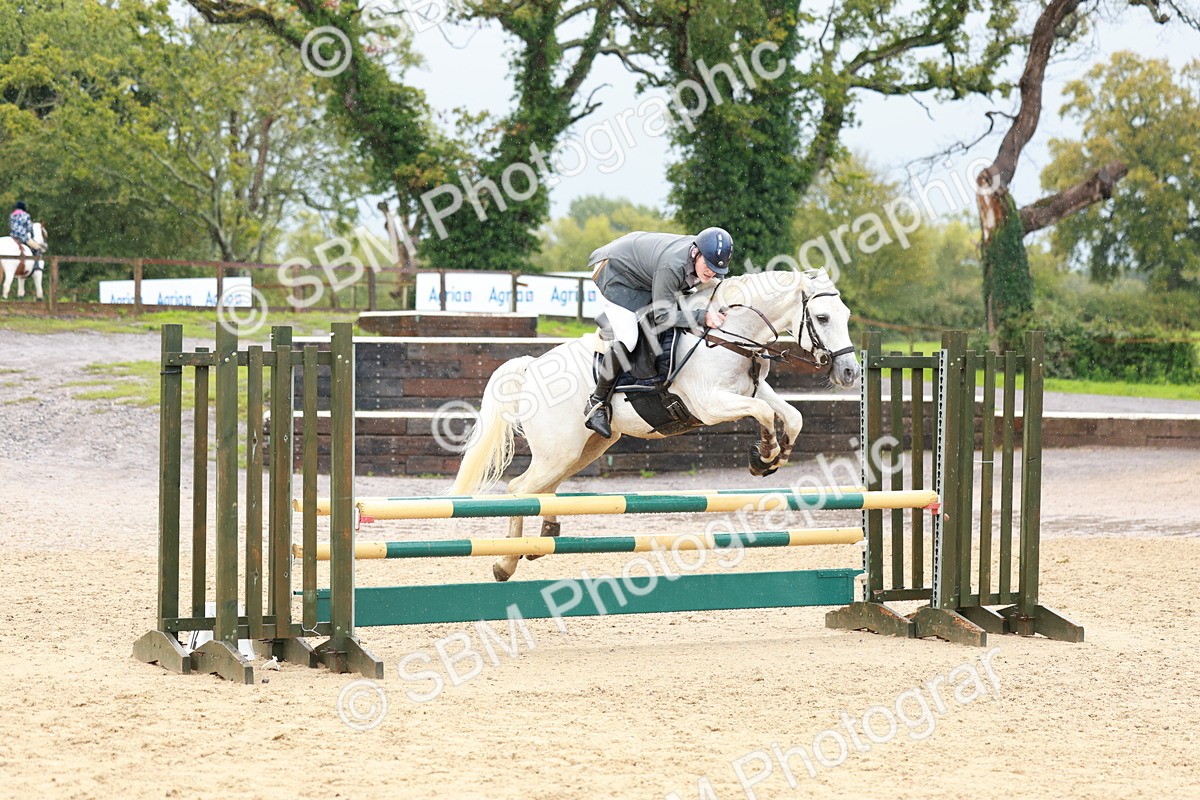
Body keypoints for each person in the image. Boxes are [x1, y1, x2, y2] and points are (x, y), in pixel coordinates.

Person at [583, 227, 733, 438]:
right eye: (707, 265)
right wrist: (702, 316)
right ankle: (596, 403)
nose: (711, 272)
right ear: (696, 253)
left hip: (640, 270)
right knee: (629, 338)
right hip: (615, 274)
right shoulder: (673, 266)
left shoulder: (699, 254)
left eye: (716, 269)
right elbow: (663, 316)